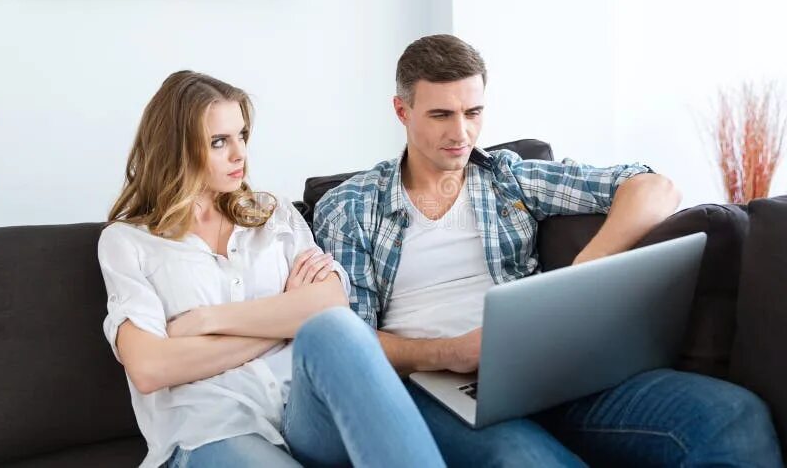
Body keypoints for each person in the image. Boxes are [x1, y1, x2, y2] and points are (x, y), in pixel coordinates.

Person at [313, 35, 783, 466]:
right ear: (402, 111)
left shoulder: (508, 177)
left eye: (473, 112)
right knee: (525, 459)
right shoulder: (352, 206)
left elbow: (652, 187)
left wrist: (586, 268)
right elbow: (349, 343)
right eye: (441, 115)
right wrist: (448, 352)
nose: (461, 133)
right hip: (435, 385)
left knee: (731, 414)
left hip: (551, 367)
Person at [98, 70, 444, 468]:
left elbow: (329, 307)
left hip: (302, 413)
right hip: (213, 428)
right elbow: (150, 367)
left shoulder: (272, 214)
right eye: (218, 142)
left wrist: (207, 321)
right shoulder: (128, 242)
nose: (239, 154)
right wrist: (284, 318)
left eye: (241, 135)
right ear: (175, 149)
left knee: (336, 329)